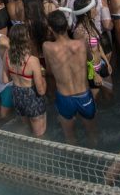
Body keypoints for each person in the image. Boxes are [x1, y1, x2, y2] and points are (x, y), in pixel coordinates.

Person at [42, 9, 95, 144]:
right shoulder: (82, 43)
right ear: (67, 25)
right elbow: (91, 60)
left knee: (70, 138)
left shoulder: (47, 47)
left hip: (64, 97)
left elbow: (49, 71)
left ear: (50, 28)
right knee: (92, 135)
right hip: (84, 95)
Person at [3, 23, 47, 137]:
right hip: (32, 97)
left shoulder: (7, 55)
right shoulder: (33, 61)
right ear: (25, 39)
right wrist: (43, 75)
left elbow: (4, 79)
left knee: (28, 130)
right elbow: (41, 91)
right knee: (39, 136)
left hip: (17, 96)